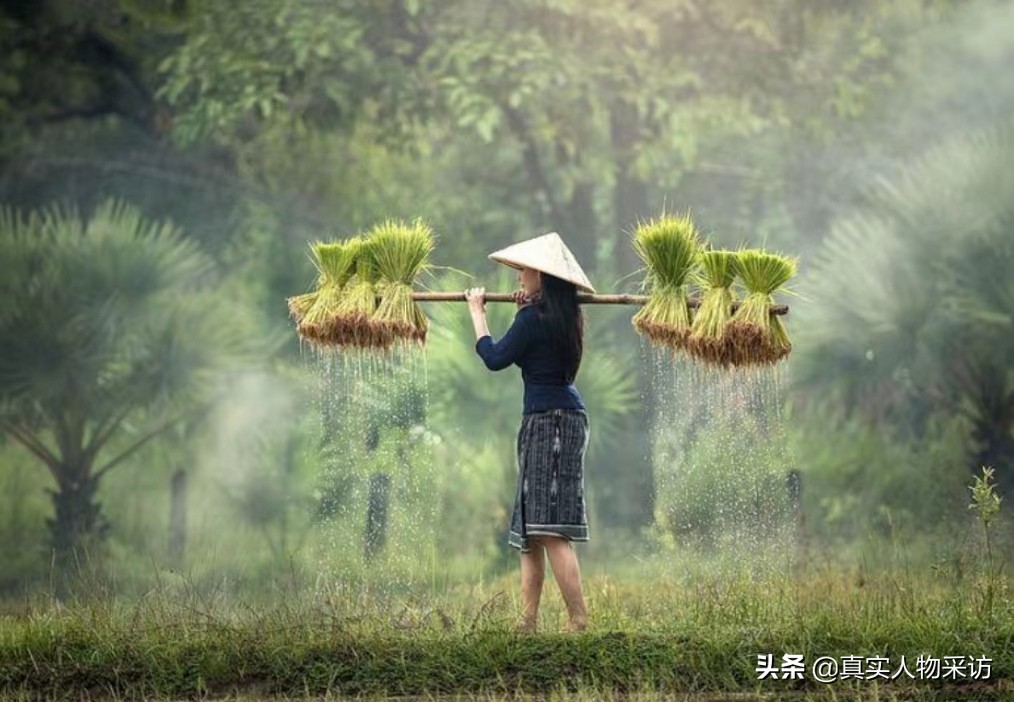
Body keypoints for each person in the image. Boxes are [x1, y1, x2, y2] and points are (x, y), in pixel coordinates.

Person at [463, 232, 595, 634]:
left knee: (549, 529)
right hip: (556, 418)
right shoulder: (563, 317)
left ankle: (579, 620)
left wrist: (477, 312)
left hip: (550, 422)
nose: (518, 277)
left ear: (541, 274)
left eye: (523, 270)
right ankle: (528, 621)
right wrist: (526, 308)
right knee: (531, 529)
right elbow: (532, 341)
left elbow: (495, 357)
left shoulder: (532, 320)